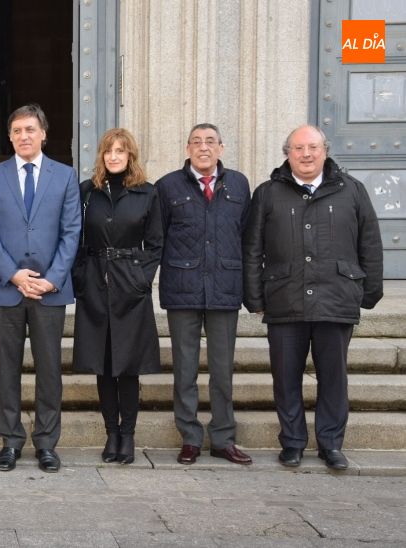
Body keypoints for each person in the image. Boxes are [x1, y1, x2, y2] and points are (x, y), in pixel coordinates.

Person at [243, 125, 383, 470]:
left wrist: (368, 293)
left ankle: (331, 444)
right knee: (285, 377)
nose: (306, 154)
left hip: (335, 299)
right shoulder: (268, 193)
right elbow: (252, 249)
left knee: (333, 378)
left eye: (313, 147)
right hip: (284, 299)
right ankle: (291, 442)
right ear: (287, 153)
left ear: (325, 150)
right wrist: (254, 296)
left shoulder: (352, 191)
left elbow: (370, 244)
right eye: (298, 148)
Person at [0, 104, 81, 473]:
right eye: (17, 130)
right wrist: (14, 274)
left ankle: (47, 443)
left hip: (51, 290)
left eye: (30, 130)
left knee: (49, 369)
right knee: (7, 368)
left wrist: (52, 278)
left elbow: (72, 231)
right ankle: (10, 441)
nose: (24, 136)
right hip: (6, 289)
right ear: (10, 136)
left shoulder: (65, 176)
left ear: (43, 134)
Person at [155, 123, 253, 465]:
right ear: (187, 149)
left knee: (223, 369)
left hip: (225, 288)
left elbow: (247, 237)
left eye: (210, 142)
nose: (204, 148)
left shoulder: (239, 184)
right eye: (196, 142)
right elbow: (158, 238)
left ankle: (224, 438)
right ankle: (191, 438)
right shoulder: (167, 186)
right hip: (182, 289)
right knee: (184, 369)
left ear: (221, 148)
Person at [71, 128, 162, 465]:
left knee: (128, 366)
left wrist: (141, 279)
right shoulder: (87, 192)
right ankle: (111, 432)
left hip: (130, 287)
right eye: (108, 150)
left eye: (120, 151)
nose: (113, 156)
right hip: (95, 284)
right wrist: (80, 276)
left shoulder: (146, 193)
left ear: (130, 156)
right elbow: (76, 238)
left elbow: (156, 244)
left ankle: (128, 434)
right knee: (103, 365)